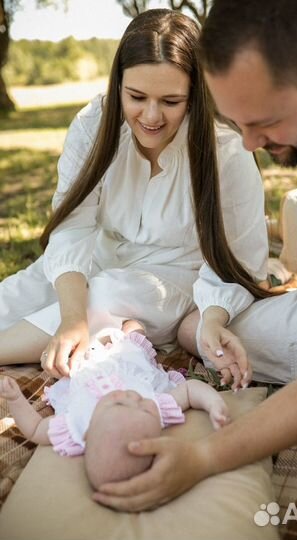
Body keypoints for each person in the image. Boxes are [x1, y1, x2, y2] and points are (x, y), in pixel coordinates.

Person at [91, 0, 297, 512]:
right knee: (225, 330)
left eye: (264, 121)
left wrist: (203, 457)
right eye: (237, 122)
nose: (251, 143)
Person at [0, 8, 272, 387]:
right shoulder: (93, 124)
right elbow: (72, 228)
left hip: (175, 276)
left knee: (111, 293)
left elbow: (240, 258)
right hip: (101, 255)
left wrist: (212, 316)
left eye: (171, 101)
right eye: (137, 97)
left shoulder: (226, 149)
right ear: (118, 85)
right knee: (21, 292)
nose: (151, 116)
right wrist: (72, 314)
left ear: (195, 94)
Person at [0, 324, 230, 490]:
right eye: (143, 407)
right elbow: (190, 390)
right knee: (134, 327)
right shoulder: (154, 408)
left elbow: (34, 428)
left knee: (68, 351)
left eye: (119, 402)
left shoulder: (76, 426)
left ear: (89, 432)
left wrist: (15, 399)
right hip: (131, 363)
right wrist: (214, 403)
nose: (133, 397)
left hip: (86, 367)